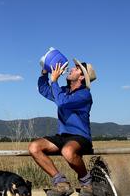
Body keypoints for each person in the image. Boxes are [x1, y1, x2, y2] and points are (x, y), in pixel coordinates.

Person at [28, 58, 97, 196]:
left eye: (77, 68)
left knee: (67, 151)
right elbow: (43, 89)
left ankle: (86, 182)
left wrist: (54, 81)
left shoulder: (84, 95)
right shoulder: (64, 91)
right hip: (63, 136)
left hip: (80, 137)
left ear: (82, 77)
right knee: (34, 147)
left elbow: (62, 103)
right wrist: (44, 73)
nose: (71, 69)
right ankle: (61, 182)